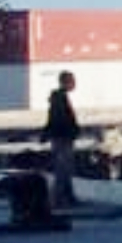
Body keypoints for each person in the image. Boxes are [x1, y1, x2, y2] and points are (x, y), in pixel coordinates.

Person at [41, 70, 79, 206]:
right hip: (62, 138)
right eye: (72, 81)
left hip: (62, 137)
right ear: (65, 82)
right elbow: (58, 119)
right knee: (63, 170)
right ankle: (60, 199)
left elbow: (52, 118)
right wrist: (72, 131)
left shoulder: (59, 98)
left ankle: (67, 197)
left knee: (65, 169)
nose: (75, 84)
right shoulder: (60, 98)